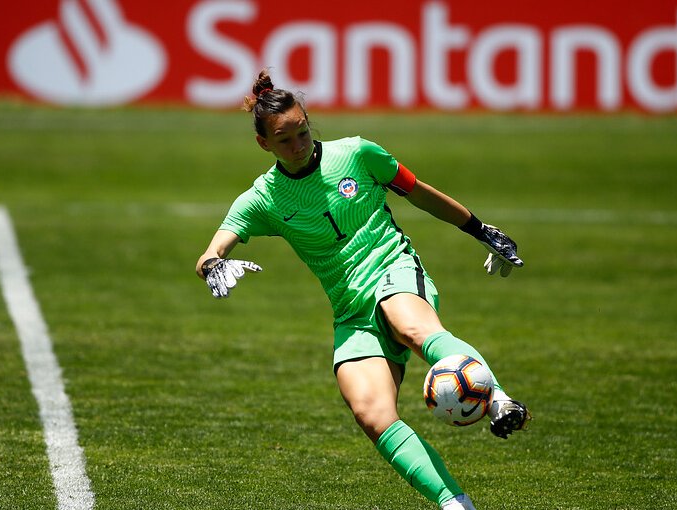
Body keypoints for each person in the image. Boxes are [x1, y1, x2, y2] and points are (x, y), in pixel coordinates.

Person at [195, 69, 531, 510]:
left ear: (309, 121)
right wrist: (214, 265)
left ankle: (499, 400)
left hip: (394, 269)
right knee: (371, 413)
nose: (297, 145)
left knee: (410, 324)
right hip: (350, 312)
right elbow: (210, 251)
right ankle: (454, 503)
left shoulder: (357, 153)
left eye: (302, 132)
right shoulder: (263, 199)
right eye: (284, 140)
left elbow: (419, 192)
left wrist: (479, 228)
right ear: (264, 144)